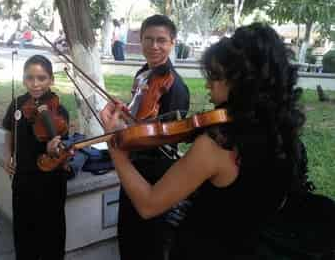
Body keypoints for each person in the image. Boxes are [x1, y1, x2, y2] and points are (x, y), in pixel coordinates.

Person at [100, 22, 311, 258]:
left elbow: (149, 204)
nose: (207, 83)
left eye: (215, 76)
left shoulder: (216, 145)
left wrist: (117, 150)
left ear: (243, 81)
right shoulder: (283, 131)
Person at [114, 14, 190, 259]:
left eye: (161, 40)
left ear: (172, 43)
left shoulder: (175, 87)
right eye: (148, 39)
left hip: (154, 176)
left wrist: (130, 135)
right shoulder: (143, 73)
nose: (154, 46)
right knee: (126, 237)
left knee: (147, 244)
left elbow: (169, 140)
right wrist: (126, 113)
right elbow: (138, 111)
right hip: (133, 166)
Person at [2, 55, 69, 260]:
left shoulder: (59, 111)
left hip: (50, 180)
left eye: (41, 78)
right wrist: (8, 156)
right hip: (23, 177)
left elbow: (61, 150)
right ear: (24, 80)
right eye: (30, 78)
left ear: (51, 80)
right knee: (23, 232)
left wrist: (53, 149)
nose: (36, 83)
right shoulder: (18, 104)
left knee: (52, 234)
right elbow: (9, 131)